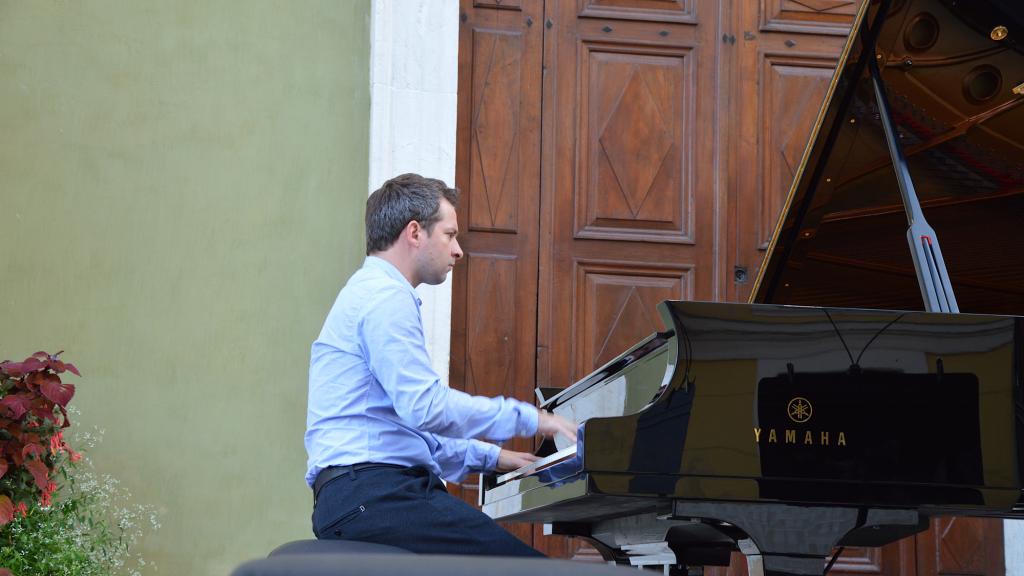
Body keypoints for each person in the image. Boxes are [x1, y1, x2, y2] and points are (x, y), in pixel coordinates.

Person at [305, 173, 577, 556]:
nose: (458, 250)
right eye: (450, 235)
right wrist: (534, 419)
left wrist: (493, 457)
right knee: (531, 569)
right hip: (377, 496)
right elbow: (427, 408)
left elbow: (406, 430)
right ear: (415, 233)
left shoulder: (370, 294)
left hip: (361, 497)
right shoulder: (385, 299)